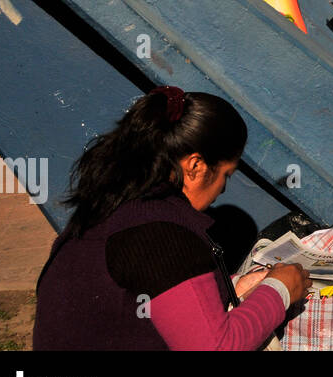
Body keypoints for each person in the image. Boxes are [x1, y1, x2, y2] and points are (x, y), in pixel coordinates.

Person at [33, 87, 310, 350]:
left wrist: (233, 288)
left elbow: (155, 304)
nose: (222, 189)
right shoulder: (159, 233)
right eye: (226, 175)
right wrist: (280, 289)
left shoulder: (116, 209)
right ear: (196, 166)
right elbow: (215, 347)